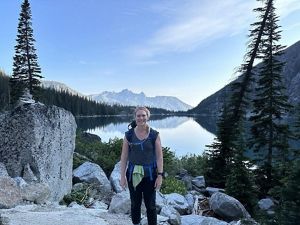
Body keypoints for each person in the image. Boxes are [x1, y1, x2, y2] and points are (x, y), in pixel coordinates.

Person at [120, 106, 164, 225]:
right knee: (135, 204)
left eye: (143, 115)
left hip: (150, 176)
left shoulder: (154, 135)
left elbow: (159, 157)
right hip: (132, 175)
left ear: (147, 117)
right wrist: (122, 176)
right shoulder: (128, 135)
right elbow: (124, 157)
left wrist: (160, 176)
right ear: (135, 117)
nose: (141, 118)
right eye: (138, 116)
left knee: (151, 205)